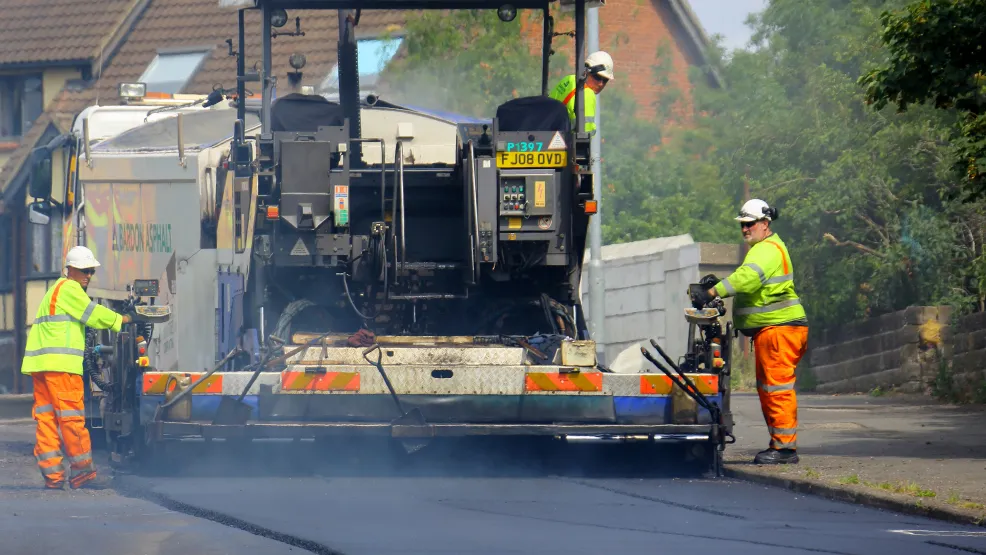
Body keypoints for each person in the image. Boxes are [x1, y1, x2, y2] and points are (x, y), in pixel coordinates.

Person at [694, 199, 809, 465]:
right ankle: (780, 445)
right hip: (775, 331)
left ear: (765, 224)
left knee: (777, 389)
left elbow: (747, 278)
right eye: (743, 225)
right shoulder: (765, 249)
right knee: (769, 389)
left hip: (780, 330)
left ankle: (785, 450)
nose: (745, 229)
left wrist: (712, 291)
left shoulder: (767, 250)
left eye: (750, 224)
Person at [21, 246, 140, 489]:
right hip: (61, 367)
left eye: (91, 272)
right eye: (84, 271)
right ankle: (82, 473)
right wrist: (123, 320)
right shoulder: (69, 288)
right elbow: (92, 313)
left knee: (47, 421)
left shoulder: (55, 291)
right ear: (70, 270)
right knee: (71, 419)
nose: (88, 276)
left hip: (41, 366)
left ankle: (53, 478)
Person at [548, 50, 613, 134]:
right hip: (562, 143)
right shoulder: (587, 93)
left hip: (546, 138)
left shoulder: (568, 79)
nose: (601, 83)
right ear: (586, 71)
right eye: (597, 77)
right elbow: (585, 134)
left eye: (605, 80)